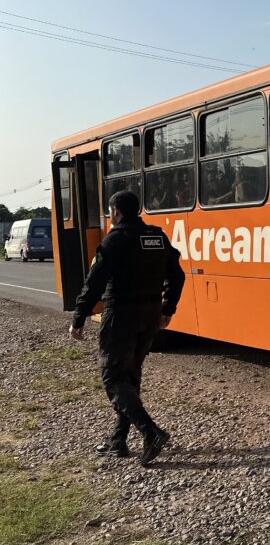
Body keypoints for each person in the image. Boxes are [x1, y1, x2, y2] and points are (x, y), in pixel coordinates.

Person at [68, 190, 185, 465]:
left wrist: (78, 317)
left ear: (116, 211)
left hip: (120, 315)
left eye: (110, 211)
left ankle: (150, 432)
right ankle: (118, 440)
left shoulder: (114, 241)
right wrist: (167, 310)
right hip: (150, 315)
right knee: (130, 376)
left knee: (113, 378)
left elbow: (94, 283)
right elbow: (177, 275)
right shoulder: (156, 237)